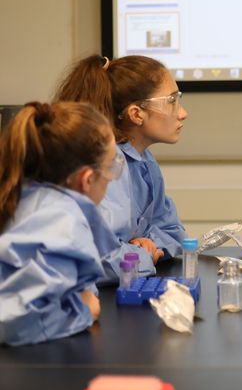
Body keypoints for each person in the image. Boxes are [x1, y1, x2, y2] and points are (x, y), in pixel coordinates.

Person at [55, 55, 187, 283]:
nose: (183, 112)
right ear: (137, 114)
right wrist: (143, 254)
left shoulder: (144, 159)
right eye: (172, 101)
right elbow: (102, 260)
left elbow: (174, 231)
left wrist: (147, 244)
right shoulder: (107, 166)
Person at [0, 102, 120, 345]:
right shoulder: (63, 221)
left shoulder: (23, 194)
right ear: (87, 179)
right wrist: (84, 311)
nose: (112, 177)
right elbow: (13, 321)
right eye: (111, 167)